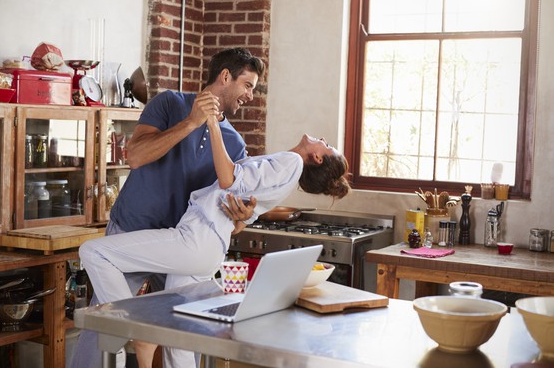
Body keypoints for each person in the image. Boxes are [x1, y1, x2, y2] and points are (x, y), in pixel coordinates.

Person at [79, 109, 351, 367]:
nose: (324, 141)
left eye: (328, 147)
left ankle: (134, 328)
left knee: (94, 252)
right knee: (179, 337)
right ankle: (138, 330)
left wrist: (211, 123)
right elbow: (238, 220)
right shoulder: (287, 173)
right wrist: (242, 216)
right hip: (209, 247)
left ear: (318, 158)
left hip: (196, 239)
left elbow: (228, 178)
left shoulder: (290, 162)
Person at [71, 48, 265, 368]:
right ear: (225, 76)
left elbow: (227, 214)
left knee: (185, 328)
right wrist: (191, 123)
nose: (251, 95)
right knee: (104, 323)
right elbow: (136, 156)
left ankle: (144, 340)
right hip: (133, 228)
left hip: (179, 243)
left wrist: (244, 216)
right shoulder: (169, 103)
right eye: (248, 85)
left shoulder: (234, 144)